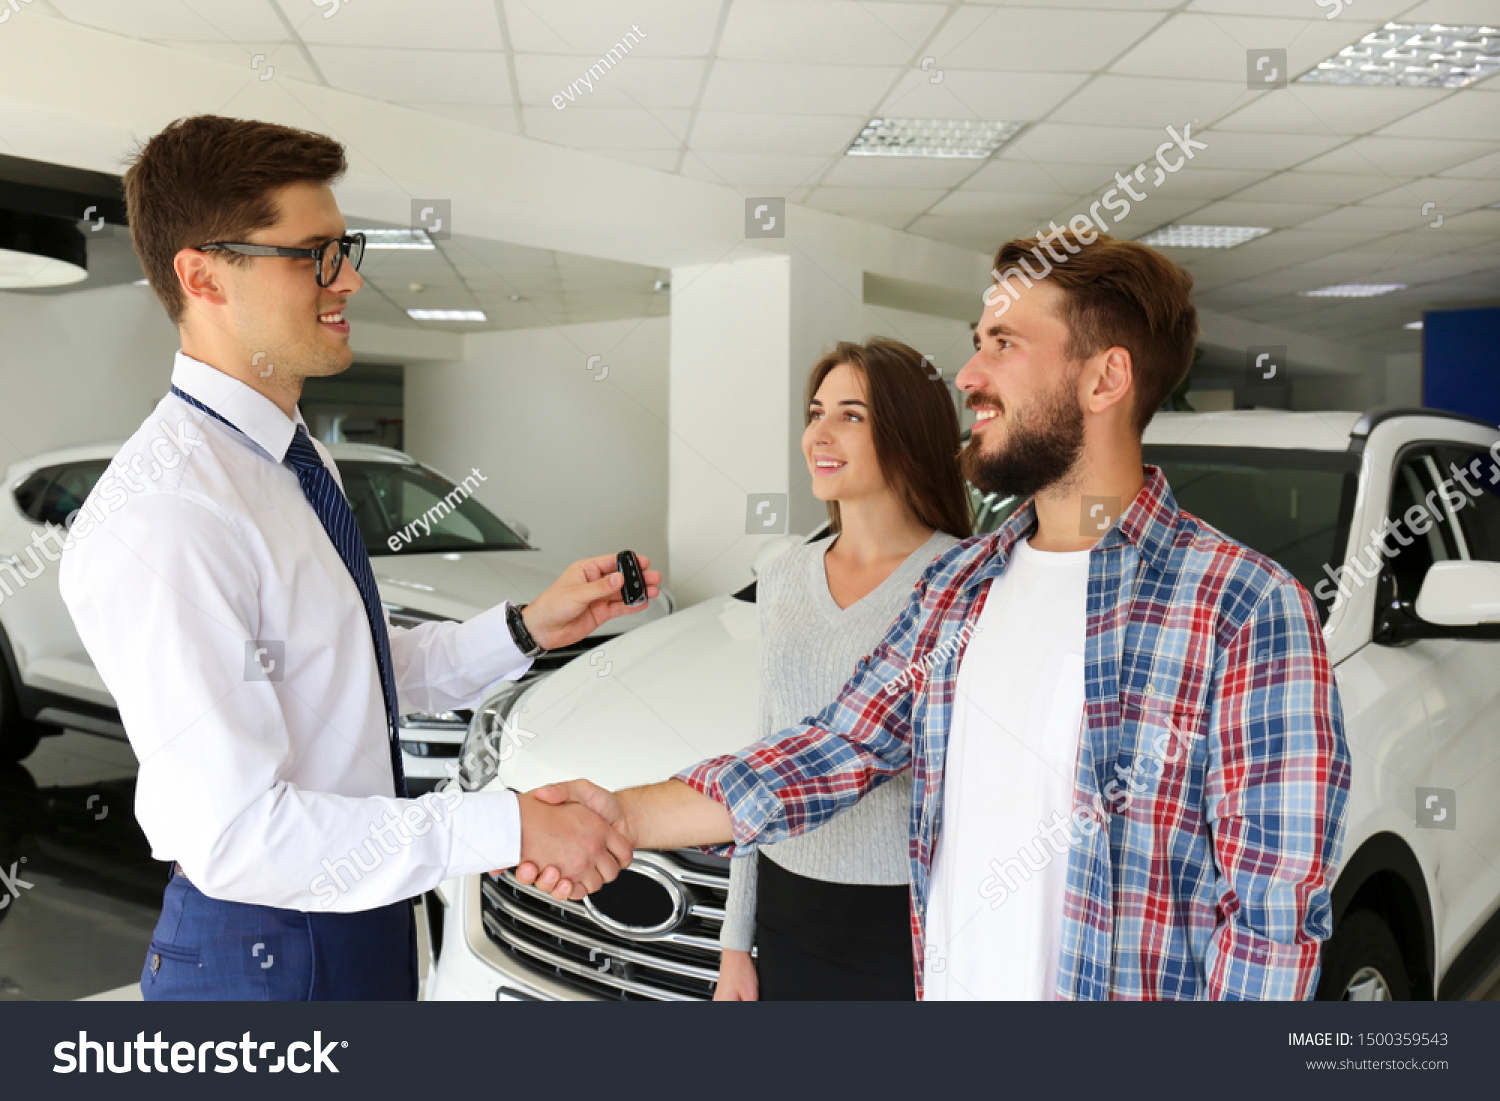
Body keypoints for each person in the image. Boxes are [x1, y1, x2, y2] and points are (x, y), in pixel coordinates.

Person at [521, 230, 1352, 1001]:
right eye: (978, 340)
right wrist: (621, 814)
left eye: (1004, 343)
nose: (968, 374)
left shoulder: (1241, 607)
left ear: (1105, 379)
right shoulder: (961, 585)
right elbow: (830, 750)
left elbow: (1272, 925)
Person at [58, 115, 644, 1001]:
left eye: (346, 249)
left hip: (361, 909)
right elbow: (242, 835)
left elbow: (346, 673)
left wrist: (525, 627)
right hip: (267, 951)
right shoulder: (168, 514)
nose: (352, 278)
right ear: (202, 273)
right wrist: (507, 826)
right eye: (316, 254)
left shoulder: (297, 459)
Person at [715, 339, 970, 1001]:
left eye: (851, 415)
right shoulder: (784, 576)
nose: (818, 434)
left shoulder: (962, 580)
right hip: (784, 904)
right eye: (816, 411)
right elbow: (763, 748)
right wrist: (735, 944)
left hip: (900, 918)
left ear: (908, 433)